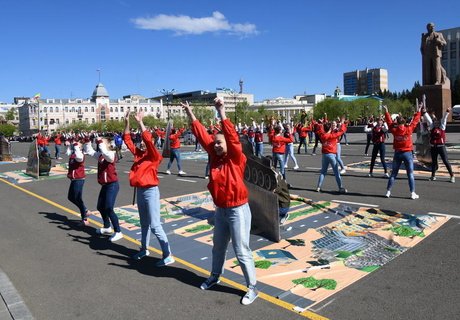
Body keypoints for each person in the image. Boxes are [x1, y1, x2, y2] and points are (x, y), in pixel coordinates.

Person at [182, 98, 258, 306]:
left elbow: (232, 138)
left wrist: (222, 112)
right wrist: (190, 113)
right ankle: (215, 275)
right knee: (218, 247)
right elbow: (201, 134)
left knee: (241, 250)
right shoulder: (215, 156)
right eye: (214, 143)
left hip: (237, 210)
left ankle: (252, 287)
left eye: (219, 142)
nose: (215, 145)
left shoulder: (236, 157)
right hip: (221, 211)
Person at [123, 111, 175, 265]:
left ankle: (168, 254)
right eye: (142, 142)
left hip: (151, 191)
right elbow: (127, 140)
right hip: (140, 191)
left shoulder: (154, 156)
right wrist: (126, 122)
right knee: (144, 223)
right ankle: (144, 249)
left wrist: (140, 122)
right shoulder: (139, 154)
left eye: (146, 142)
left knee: (155, 225)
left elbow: (148, 139)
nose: (143, 143)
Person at [84, 136, 123, 242]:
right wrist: (87, 141)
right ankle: (107, 227)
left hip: (112, 185)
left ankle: (118, 232)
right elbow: (90, 151)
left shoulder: (111, 154)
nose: (99, 143)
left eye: (103, 142)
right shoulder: (101, 155)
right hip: (105, 185)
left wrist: (101, 142)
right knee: (100, 207)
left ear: (108, 145)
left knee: (109, 208)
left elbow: (107, 155)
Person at [384, 105, 422, 199]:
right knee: (410, 174)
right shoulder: (408, 129)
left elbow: (389, 123)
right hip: (407, 153)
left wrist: (387, 112)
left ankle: (388, 191)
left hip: (397, 153)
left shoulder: (394, 130)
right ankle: (412, 193)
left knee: (393, 174)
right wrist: (419, 110)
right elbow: (415, 121)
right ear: (404, 122)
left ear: (397, 122)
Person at [424, 108, 455, 183]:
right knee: (434, 162)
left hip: (441, 147)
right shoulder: (432, 127)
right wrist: (424, 113)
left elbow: (444, 119)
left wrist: (447, 112)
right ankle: (433, 176)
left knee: (446, 161)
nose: (436, 123)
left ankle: (452, 176)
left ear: (439, 123)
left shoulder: (442, 127)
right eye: (435, 122)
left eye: (437, 122)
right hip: (433, 147)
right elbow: (428, 120)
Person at [316, 119, 347, 193]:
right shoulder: (332, 136)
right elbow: (341, 131)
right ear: (330, 129)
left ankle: (318, 187)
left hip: (324, 155)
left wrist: (322, 123)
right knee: (336, 172)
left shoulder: (322, 135)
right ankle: (340, 188)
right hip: (331, 155)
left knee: (323, 172)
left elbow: (319, 129)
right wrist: (342, 123)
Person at [66, 139, 89, 226]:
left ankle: (85, 218)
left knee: (78, 198)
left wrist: (76, 146)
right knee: (70, 197)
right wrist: (68, 145)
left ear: (79, 147)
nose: (75, 144)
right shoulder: (73, 154)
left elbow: (79, 157)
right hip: (74, 179)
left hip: (79, 179)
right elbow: (67, 152)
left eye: (77, 144)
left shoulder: (80, 155)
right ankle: (85, 210)